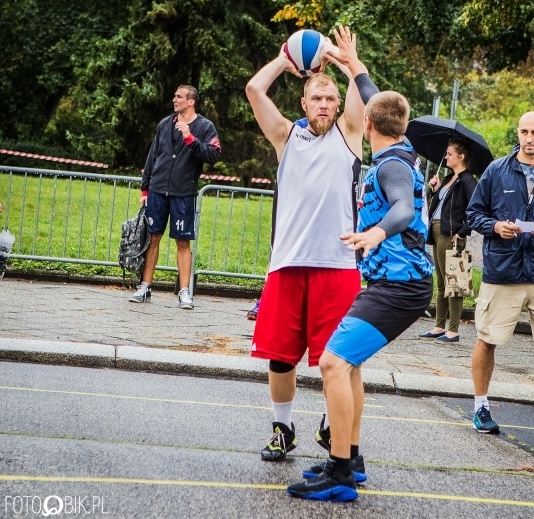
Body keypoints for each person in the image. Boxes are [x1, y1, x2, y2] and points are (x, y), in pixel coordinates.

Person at [287, 90, 433, 502]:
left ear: (367, 125)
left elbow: (403, 208)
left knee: (333, 363)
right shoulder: (401, 145)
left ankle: (339, 475)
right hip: (396, 285)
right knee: (348, 366)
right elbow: (379, 104)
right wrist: (354, 67)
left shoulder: (390, 166)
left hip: (400, 288)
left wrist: (377, 231)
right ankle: (349, 459)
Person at [245, 26, 379, 462]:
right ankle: (282, 428)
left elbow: (366, 96)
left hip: (338, 267)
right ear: (303, 103)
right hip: (287, 264)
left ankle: (330, 425)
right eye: (315, 98)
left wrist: (343, 59)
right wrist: (288, 58)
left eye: (329, 99)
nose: (323, 104)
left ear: (338, 105)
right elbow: (253, 88)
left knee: (336, 360)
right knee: (280, 358)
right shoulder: (286, 137)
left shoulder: (349, 134)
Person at [466, 111, 534, 437]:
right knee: (487, 340)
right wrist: (495, 226)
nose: (529, 138)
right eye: (524, 132)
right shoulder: (496, 171)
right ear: (518, 133)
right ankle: (480, 407)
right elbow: (474, 213)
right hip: (503, 270)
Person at [129, 85, 222, 309]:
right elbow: (153, 155)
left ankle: (184, 291)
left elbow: (214, 155)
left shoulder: (205, 126)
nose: (174, 99)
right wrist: (145, 189)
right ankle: (145, 287)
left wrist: (190, 139)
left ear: (191, 102)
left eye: (179, 96)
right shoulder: (164, 124)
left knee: (183, 242)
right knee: (152, 238)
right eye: (175, 95)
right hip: (159, 190)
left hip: (183, 192)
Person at [418, 140, 478, 342]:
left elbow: (476, 209)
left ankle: (453, 331)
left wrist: (462, 232)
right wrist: (433, 190)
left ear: (461, 157)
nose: (446, 157)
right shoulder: (448, 178)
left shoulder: (468, 180)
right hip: (436, 231)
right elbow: (438, 205)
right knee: (442, 282)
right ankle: (438, 326)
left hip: (451, 235)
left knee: (455, 282)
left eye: (449, 154)